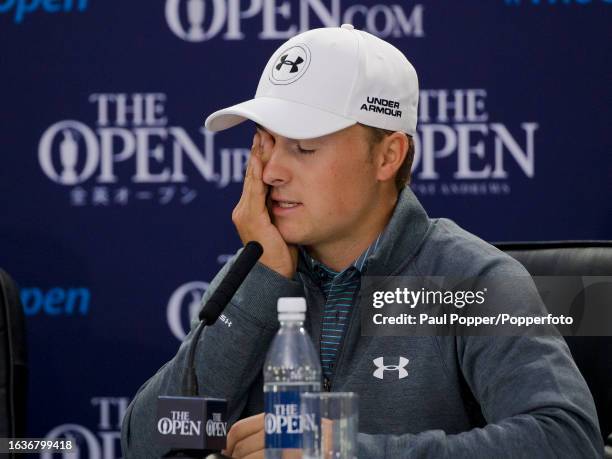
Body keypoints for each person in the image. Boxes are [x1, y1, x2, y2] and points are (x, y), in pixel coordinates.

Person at [121, 25, 602, 458]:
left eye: (304, 147)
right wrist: (259, 289)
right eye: (265, 143)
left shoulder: (470, 280)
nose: (270, 171)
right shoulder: (257, 274)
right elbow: (149, 444)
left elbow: (566, 441)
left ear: (388, 155)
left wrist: (347, 449)